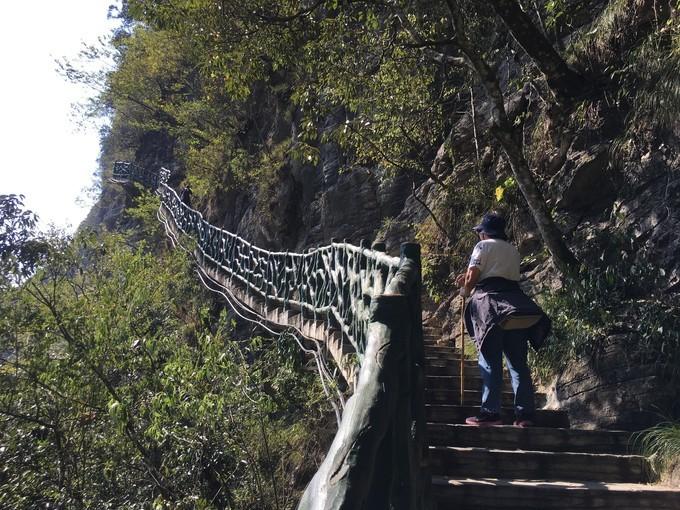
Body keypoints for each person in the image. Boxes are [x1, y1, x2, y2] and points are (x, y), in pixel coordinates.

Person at [455, 213, 551, 427]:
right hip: (516, 307)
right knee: (518, 364)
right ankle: (525, 415)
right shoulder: (513, 250)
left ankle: (490, 413)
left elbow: (473, 275)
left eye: (480, 232)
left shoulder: (483, 247)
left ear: (484, 232)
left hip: (491, 307)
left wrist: (465, 290)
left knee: (490, 361)